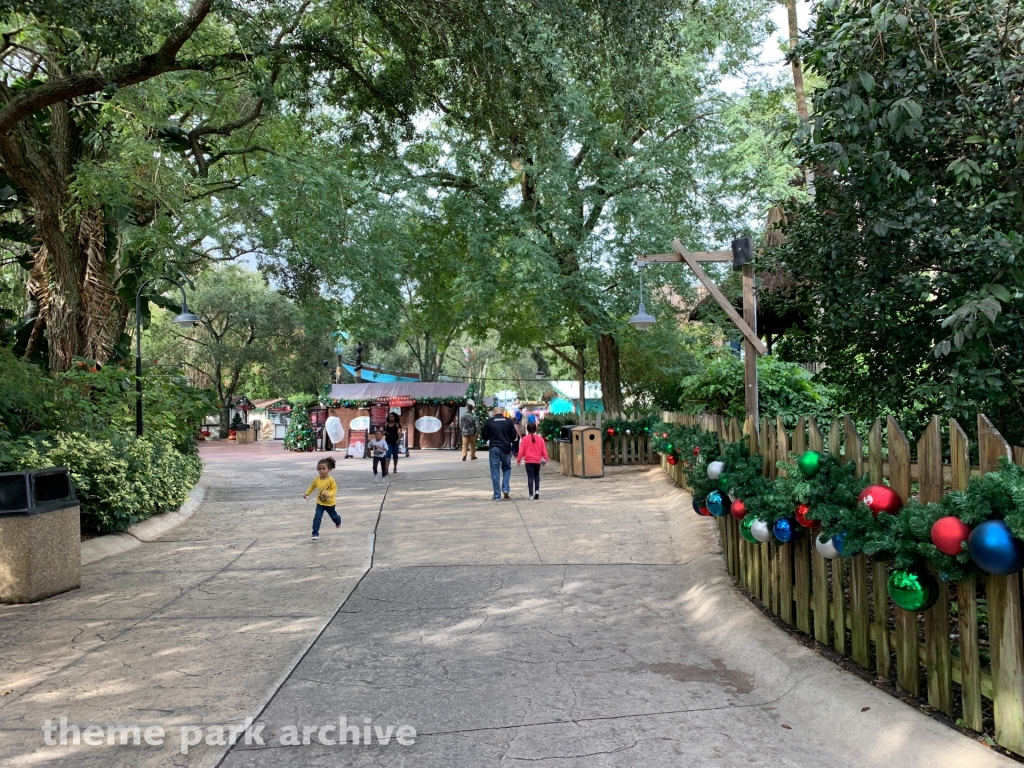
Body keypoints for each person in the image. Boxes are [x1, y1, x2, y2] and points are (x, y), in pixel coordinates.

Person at [481, 405, 518, 500]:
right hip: (506, 448)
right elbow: (513, 435)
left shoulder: (489, 421)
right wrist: (508, 441)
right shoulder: (509, 421)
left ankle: (497, 495)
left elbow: (484, 436)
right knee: (507, 469)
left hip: (493, 448)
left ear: (494, 413)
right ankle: (505, 489)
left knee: (495, 471)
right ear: (502, 413)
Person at [303, 456, 340, 541]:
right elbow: (312, 487)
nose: (321, 471)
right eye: (319, 469)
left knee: (334, 516)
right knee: (317, 517)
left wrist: (329, 494)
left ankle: (338, 520)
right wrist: (307, 493)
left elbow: (334, 489)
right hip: (320, 503)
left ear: (329, 469)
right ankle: (315, 533)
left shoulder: (331, 480)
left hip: (330, 503)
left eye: (323, 469)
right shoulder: (317, 479)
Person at [516, 421, 548, 500]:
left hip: (528, 461)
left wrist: (518, 459)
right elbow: (544, 450)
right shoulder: (540, 439)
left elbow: (521, 451)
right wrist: (545, 459)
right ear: (535, 429)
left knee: (530, 477)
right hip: (537, 461)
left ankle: (531, 495)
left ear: (527, 430)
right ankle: (537, 491)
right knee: (536, 475)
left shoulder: (525, 439)